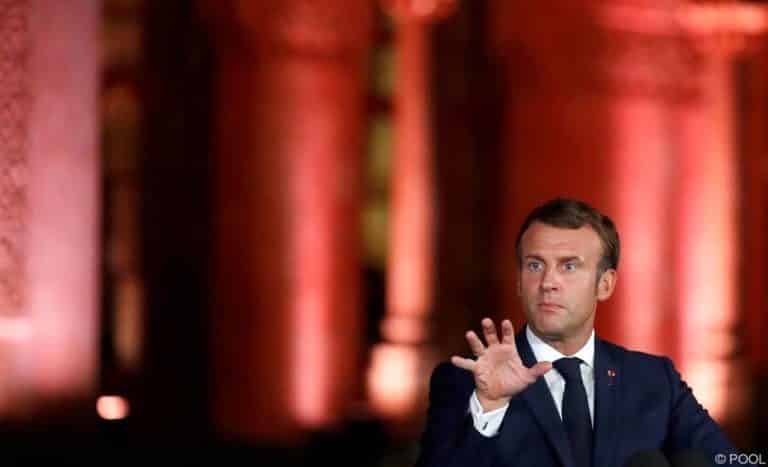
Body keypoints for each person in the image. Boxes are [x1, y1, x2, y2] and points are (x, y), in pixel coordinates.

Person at [414, 198, 738, 467]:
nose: (548, 282)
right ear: (519, 281)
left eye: (569, 266)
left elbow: (731, 461)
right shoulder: (466, 381)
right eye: (535, 265)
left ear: (605, 284)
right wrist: (491, 406)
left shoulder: (654, 380)